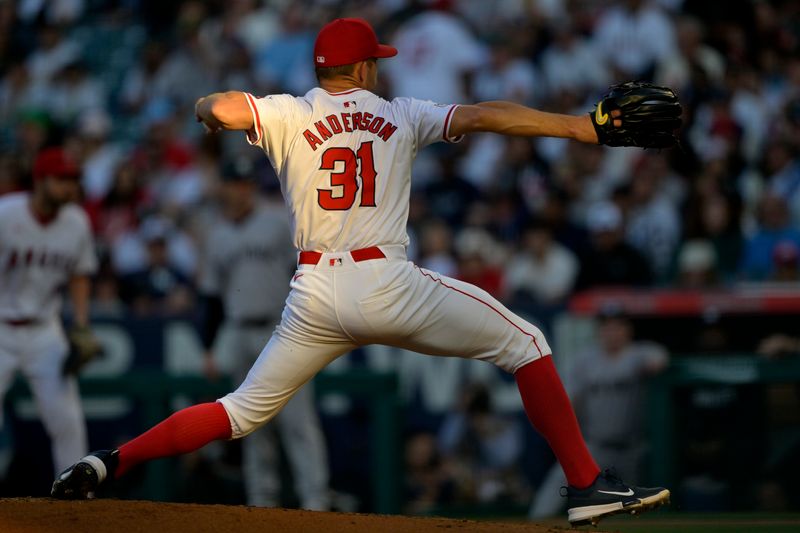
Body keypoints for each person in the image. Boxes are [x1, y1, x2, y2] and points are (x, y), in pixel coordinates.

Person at [52, 18, 670, 526]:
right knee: (528, 343)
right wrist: (579, 128)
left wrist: (207, 110)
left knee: (239, 410)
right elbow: (483, 115)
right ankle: (587, 484)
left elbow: (220, 105)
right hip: (386, 284)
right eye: (377, 59)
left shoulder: (290, 113)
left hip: (313, 296)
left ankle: (111, 460)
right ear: (366, 69)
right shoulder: (400, 112)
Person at [199, 157, 330, 510]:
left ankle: (315, 502)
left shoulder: (276, 222)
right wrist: (209, 347)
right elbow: (211, 297)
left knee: (297, 422)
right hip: (239, 332)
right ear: (224, 188)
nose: (242, 190)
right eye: (235, 183)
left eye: (247, 184)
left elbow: (307, 270)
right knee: (250, 424)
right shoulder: (217, 235)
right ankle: (261, 503)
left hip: (283, 328)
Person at [0, 147, 98, 476]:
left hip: (44, 330)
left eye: (73, 180)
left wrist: (81, 325)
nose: (69, 187)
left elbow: (80, 274)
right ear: (40, 180)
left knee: (67, 420)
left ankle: (75, 494)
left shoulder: (77, 222)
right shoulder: (6, 214)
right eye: (62, 179)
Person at [529, 308, 668, 518]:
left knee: (636, 513)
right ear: (599, 331)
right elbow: (571, 402)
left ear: (627, 330)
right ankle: (532, 525)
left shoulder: (639, 353)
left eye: (618, 326)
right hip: (594, 446)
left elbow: (659, 359)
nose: (612, 332)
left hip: (633, 450)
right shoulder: (585, 360)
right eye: (606, 327)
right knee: (552, 492)